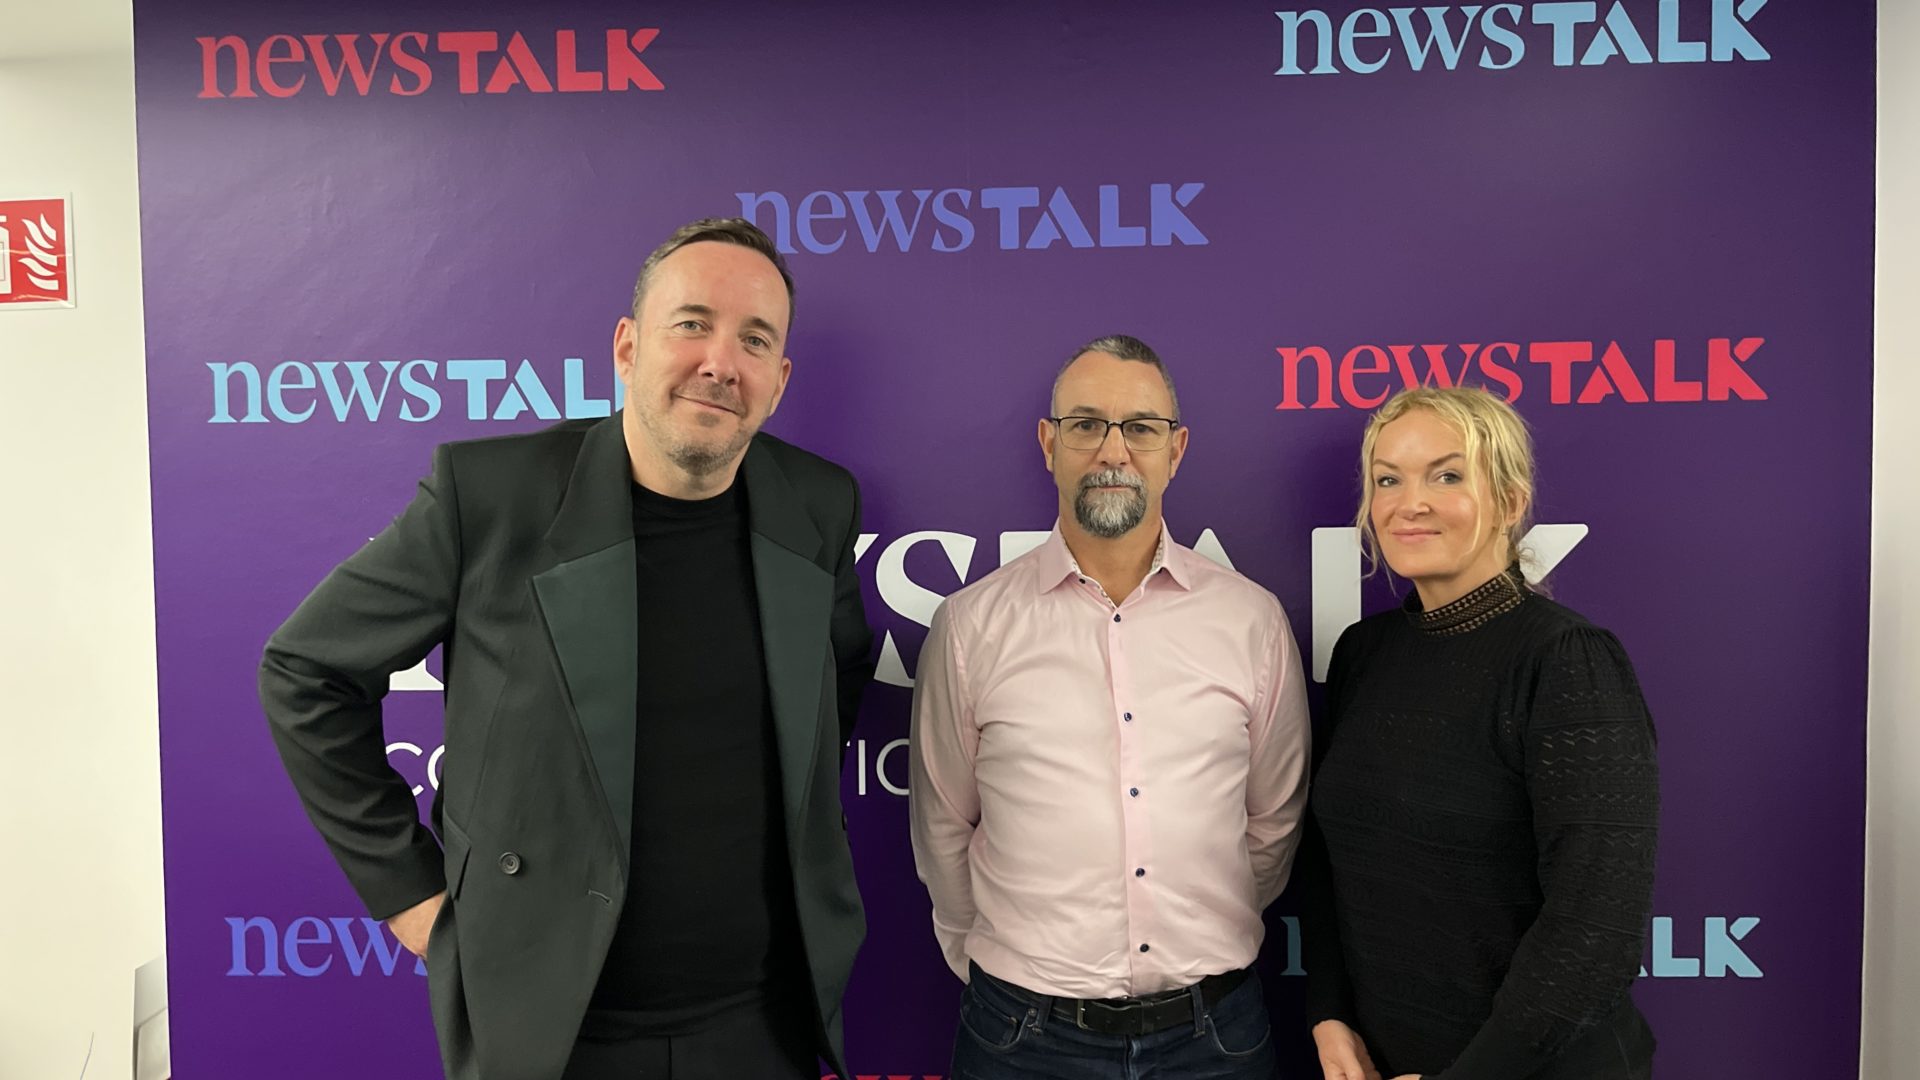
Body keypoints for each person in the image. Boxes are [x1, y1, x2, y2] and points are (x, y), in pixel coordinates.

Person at [259, 217, 874, 1080]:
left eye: (754, 340)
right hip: (550, 1029)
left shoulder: (817, 505)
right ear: (628, 348)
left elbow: (834, 679)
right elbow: (306, 670)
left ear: (779, 380)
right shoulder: (492, 496)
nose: (719, 362)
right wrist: (409, 895)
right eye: (691, 323)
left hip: (762, 1026)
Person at [909, 334, 1310, 1080]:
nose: (1113, 451)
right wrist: (1006, 963)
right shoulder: (971, 627)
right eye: (1087, 424)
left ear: (1176, 449)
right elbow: (942, 827)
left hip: (1214, 1037)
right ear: (1049, 443)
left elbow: (1273, 821)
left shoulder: (1251, 621)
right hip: (1021, 1038)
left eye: (1141, 428)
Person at [1303, 385, 1659, 1080]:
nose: (1412, 502)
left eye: (1447, 475)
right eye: (1388, 479)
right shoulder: (1363, 653)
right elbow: (1329, 861)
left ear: (1510, 500)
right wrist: (1328, 1011)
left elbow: (1596, 931)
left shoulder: (1565, 660)